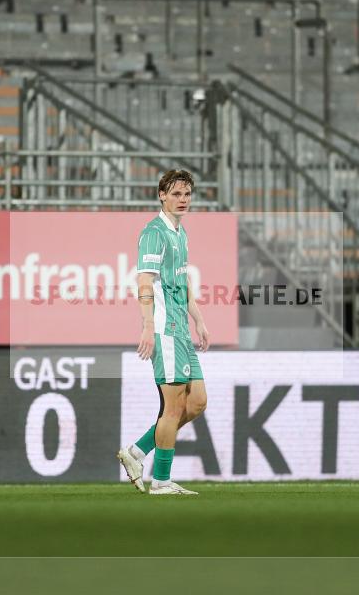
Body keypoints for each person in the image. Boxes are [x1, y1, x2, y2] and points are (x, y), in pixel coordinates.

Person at [116, 169, 210, 495]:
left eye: (186, 194)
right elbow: (144, 281)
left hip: (181, 330)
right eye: (175, 194)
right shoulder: (154, 233)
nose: (182, 200)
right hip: (165, 331)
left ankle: (136, 453)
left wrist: (197, 319)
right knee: (171, 409)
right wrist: (147, 325)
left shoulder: (180, 233)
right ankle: (161, 482)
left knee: (196, 402)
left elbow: (182, 281)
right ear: (162, 195)